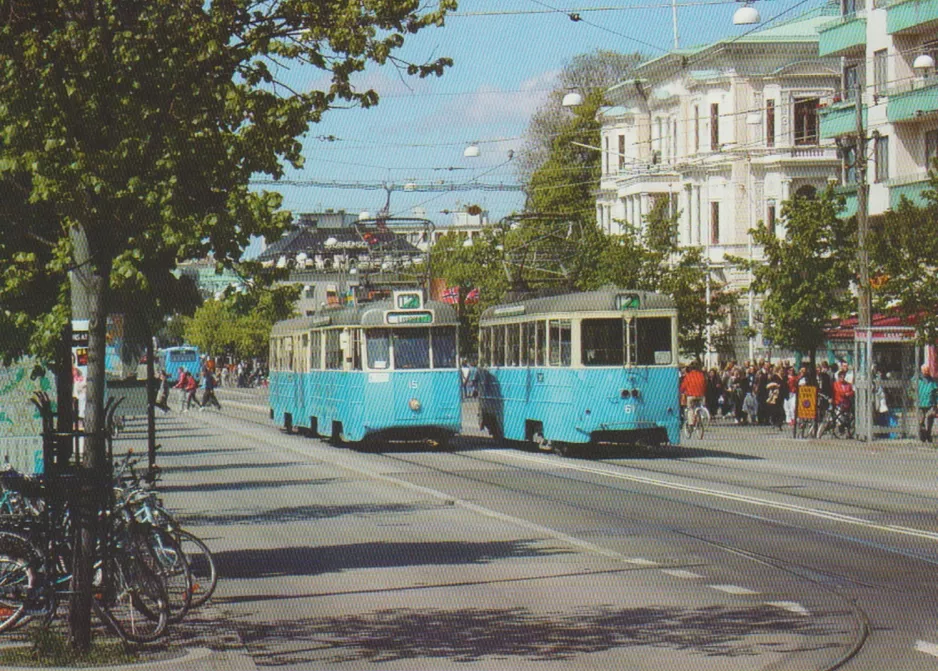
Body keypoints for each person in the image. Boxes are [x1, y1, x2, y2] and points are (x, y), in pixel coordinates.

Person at [680, 361, 707, 429]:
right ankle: (698, 420)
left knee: (690, 408)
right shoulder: (701, 375)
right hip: (701, 395)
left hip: (691, 395)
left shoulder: (688, 376)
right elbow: (705, 385)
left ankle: (691, 423)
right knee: (698, 407)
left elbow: (683, 386)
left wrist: (681, 391)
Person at [917, 364, 937, 443]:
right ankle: (923, 433)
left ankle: (928, 433)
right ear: (922, 371)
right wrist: (914, 398)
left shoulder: (932, 381)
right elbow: (911, 389)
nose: (926, 372)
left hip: (930, 404)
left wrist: (936, 403)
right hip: (920, 403)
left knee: (930, 417)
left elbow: (936, 392)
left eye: (927, 370)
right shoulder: (917, 380)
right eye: (925, 370)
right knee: (921, 421)